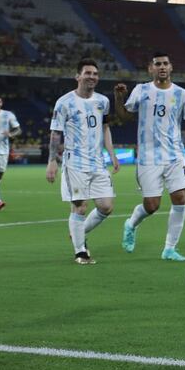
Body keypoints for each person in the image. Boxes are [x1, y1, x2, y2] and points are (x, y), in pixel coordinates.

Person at [113, 51, 185, 262]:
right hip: (148, 157)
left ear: (171, 67)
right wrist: (118, 98)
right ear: (150, 69)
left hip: (174, 155)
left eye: (165, 63)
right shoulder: (142, 90)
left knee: (180, 198)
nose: (162, 67)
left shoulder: (183, 94)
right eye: (157, 64)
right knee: (152, 205)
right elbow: (124, 116)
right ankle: (131, 224)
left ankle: (169, 249)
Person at [45, 58, 121, 265]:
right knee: (80, 206)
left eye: (95, 74)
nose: (92, 77)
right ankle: (81, 251)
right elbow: (55, 133)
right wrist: (52, 161)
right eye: (88, 73)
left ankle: (78, 231)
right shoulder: (64, 102)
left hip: (97, 162)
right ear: (77, 76)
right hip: (75, 162)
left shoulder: (102, 101)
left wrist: (112, 154)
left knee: (106, 206)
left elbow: (105, 128)